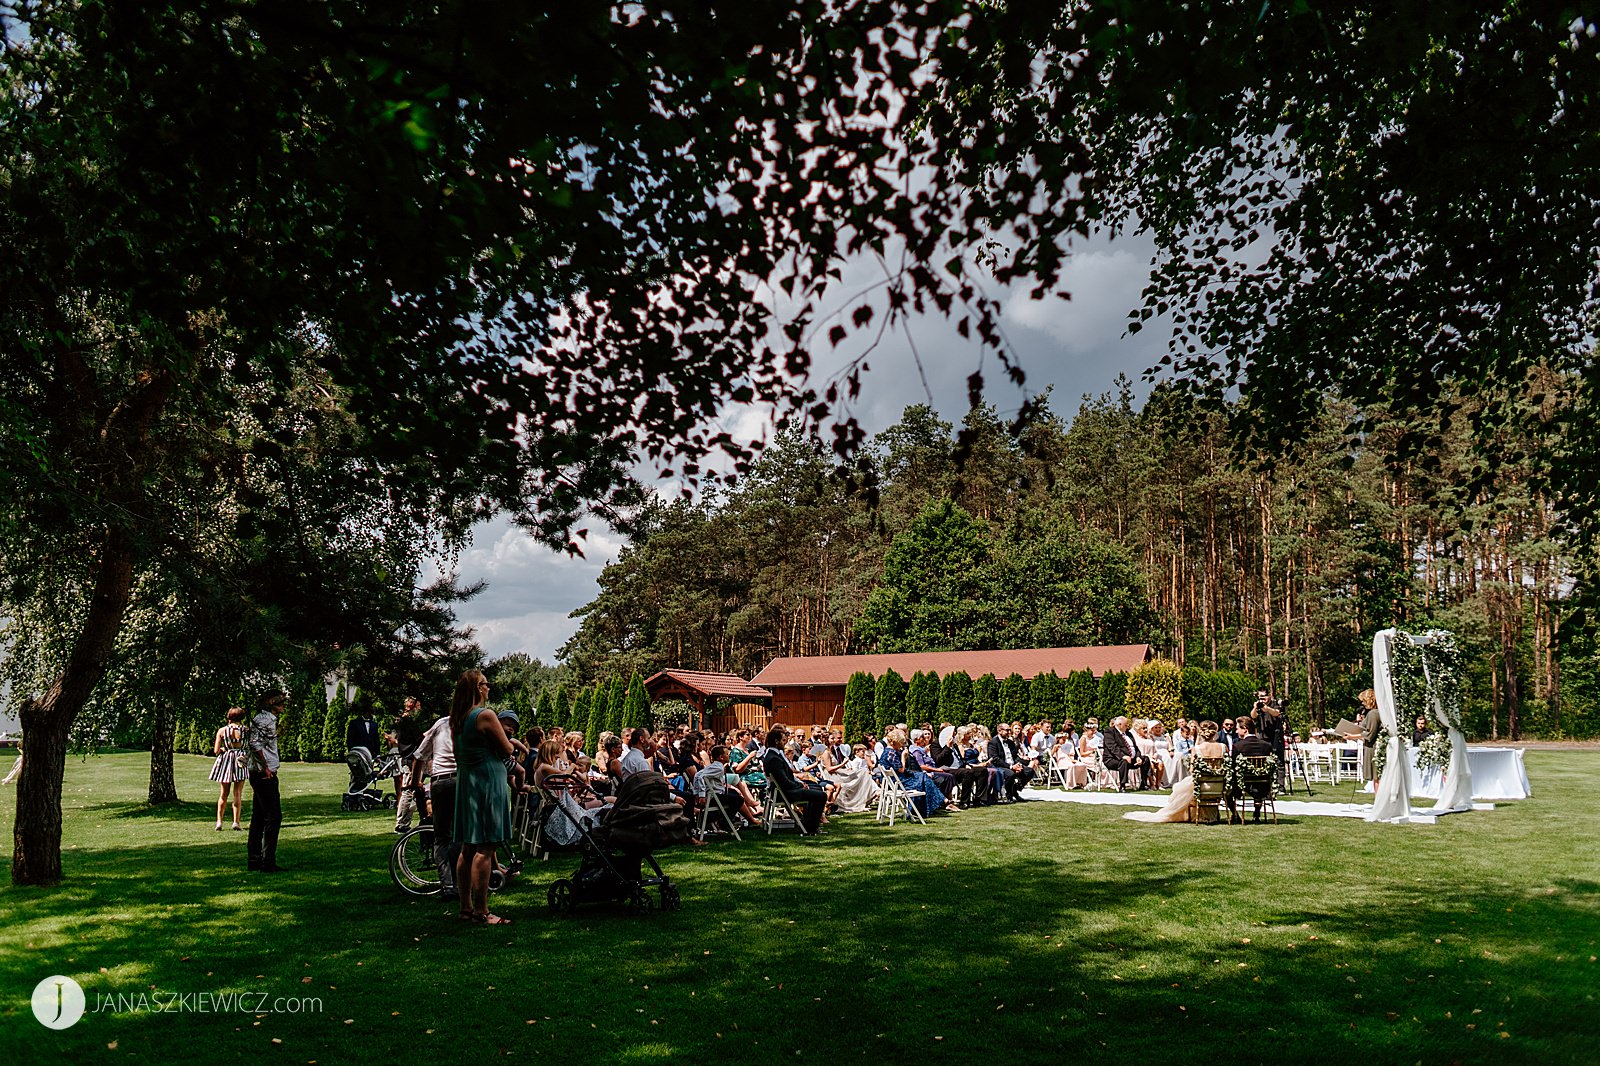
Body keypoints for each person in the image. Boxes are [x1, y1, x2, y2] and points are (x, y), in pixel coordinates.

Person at [452, 669, 522, 925]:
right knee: (485, 847)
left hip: (468, 782)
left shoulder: (457, 719)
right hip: (488, 782)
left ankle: (465, 908)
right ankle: (482, 912)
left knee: (468, 848)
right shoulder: (485, 715)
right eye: (485, 684)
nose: (488, 688)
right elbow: (508, 747)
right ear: (477, 689)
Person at [1124, 721, 1229, 823]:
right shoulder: (1223, 747)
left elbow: (1192, 770)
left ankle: (1195, 815)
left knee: (1179, 789)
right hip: (1219, 786)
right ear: (1215, 732)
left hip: (1201, 786)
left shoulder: (1196, 749)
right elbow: (1227, 767)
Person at [412, 708, 459, 900]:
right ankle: (459, 882)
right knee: (459, 834)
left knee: (441, 836)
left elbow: (419, 755)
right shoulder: (470, 723)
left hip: (440, 780)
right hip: (461, 780)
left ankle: (447, 885)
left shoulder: (441, 724)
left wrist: (416, 782)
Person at [246, 691, 286, 873]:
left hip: (259, 772)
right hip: (264, 773)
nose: (283, 707)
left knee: (258, 817)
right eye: (281, 703)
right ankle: (267, 861)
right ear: (272, 702)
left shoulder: (260, 719)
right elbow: (255, 744)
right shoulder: (266, 721)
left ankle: (254, 859)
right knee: (273, 817)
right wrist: (265, 768)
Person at [761, 726, 827, 833]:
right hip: (783, 793)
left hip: (782, 790)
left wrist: (801, 783)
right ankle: (811, 827)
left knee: (816, 788)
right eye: (783, 740)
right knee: (821, 795)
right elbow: (784, 782)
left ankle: (807, 823)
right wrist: (801, 785)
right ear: (776, 741)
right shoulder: (774, 758)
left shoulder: (773, 754)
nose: (785, 742)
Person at [1228, 717, 1275, 824]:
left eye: (1237, 729)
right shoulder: (1266, 746)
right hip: (1264, 784)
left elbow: (1233, 766)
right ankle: (1257, 813)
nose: (1236, 731)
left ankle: (1235, 815)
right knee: (1258, 788)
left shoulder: (1238, 746)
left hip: (1244, 784)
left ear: (1245, 729)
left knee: (1227, 792)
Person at [208, 707, 249, 830]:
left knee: (223, 794)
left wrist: (223, 749)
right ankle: (236, 822)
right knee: (237, 793)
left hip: (226, 761)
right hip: (240, 760)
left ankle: (219, 822)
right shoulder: (246, 730)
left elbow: (216, 751)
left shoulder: (222, 731)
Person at [391, 696, 426, 833]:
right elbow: (420, 738)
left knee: (411, 791)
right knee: (409, 791)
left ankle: (405, 821)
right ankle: (402, 823)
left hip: (411, 758)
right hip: (411, 759)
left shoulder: (403, 721)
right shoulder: (408, 722)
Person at [1101, 716, 1151, 792]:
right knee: (1124, 761)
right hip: (1113, 759)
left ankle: (1144, 784)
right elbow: (1112, 747)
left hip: (1131, 759)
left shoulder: (1128, 734)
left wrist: (1138, 756)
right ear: (1119, 725)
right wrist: (1123, 756)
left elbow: (1135, 747)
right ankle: (1122, 786)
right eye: (1126, 725)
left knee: (1146, 759)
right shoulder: (1110, 732)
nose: (1127, 727)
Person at [986, 722, 1033, 801]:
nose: (1009, 732)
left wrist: (1018, 765)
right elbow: (995, 759)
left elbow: (1015, 756)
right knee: (1010, 774)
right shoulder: (993, 742)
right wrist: (1011, 767)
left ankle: (1015, 789)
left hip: (1013, 765)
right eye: (1007, 730)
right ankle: (1009, 795)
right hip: (1000, 766)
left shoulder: (1010, 742)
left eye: (1009, 730)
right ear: (999, 731)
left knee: (1029, 771)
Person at [1358, 689, 1381, 781]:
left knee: (1376, 777)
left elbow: (1370, 734)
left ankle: (1378, 795)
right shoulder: (1374, 713)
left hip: (1373, 747)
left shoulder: (1373, 713)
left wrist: (1352, 736)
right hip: (1372, 746)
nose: (1362, 703)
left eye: (1363, 701)